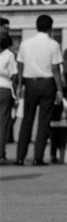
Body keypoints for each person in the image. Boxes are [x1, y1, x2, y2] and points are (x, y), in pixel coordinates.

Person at [15, 14, 66, 166]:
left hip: (30, 83)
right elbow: (56, 68)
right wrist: (59, 89)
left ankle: (20, 157)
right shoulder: (53, 45)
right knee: (44, 122)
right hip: (47, 83)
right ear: (50, 27)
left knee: (27, 120)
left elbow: (20, 66)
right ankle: (38, 157)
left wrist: (19, 85)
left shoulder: (25, 43)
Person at [0, 32, 17, 164]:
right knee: (3, 123)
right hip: (5, 89)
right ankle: (1, 153)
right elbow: (14, 74)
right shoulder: (9, 55)